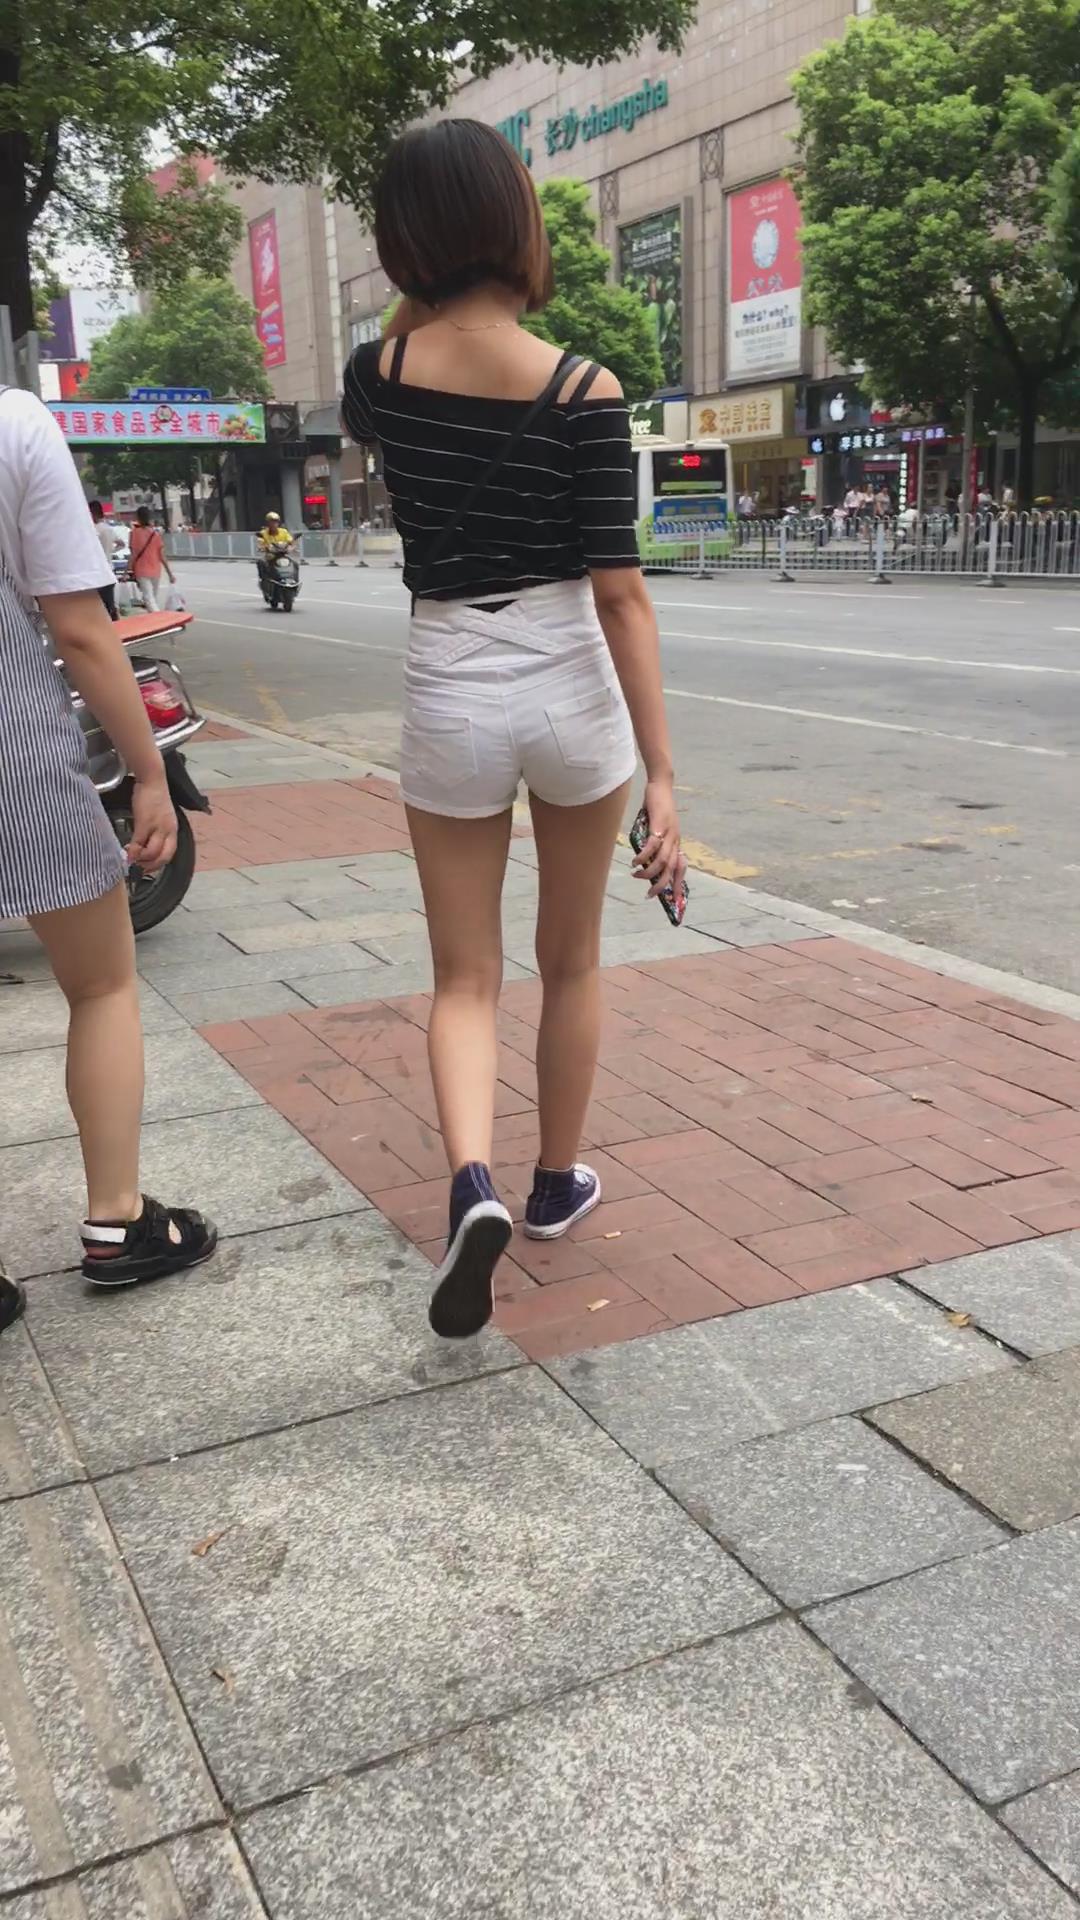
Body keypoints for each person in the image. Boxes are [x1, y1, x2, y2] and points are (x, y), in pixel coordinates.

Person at [341, 119, 686, 1341]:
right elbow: (621, 595)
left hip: (450, 678)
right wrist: (663, 775)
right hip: (571, 683)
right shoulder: (587, 389)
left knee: (463, 974)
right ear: (518, 222)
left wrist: (419, 293)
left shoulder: (376, 375)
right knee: (571, 957)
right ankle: (552, 1183)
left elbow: (398, 363)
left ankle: (470, 1184)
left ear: (405, 240)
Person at [0, 386, 216, 1338]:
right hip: (14, 757)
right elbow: (81, 628)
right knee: (100, 984)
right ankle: (119, 1224)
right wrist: (149, 773)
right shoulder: (15, 425)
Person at [128, 505, 175, 612]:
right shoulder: (155, 534)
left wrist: (128, 570)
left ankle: (159, 618)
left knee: (148, 599)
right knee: (152, 598)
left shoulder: (134, 533)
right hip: (156, 570)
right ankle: (155, 618)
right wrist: (170, 574)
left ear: (138, 518)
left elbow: (133, 554)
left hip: (142, 570)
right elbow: (162, 556)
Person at [88, 500, 119, 620]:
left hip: (97, 570)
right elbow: (121, 543)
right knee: (109, 602)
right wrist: (111, 551)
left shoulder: (93, 530)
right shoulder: (109, 528)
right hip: (109, 569)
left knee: (98, 603)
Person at [256, 510, 296, 592]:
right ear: (268, 523)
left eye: (275, 521)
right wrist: (263, 547)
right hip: (270, 555)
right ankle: (264, 581)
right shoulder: (263, 533)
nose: (274, 524)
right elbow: (260, 543)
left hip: (283, 554)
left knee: (295, 563)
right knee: (261, 562)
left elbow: (291, 541)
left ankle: (294, 581)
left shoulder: (283, 531)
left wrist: (291, 547)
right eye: (271, 522)